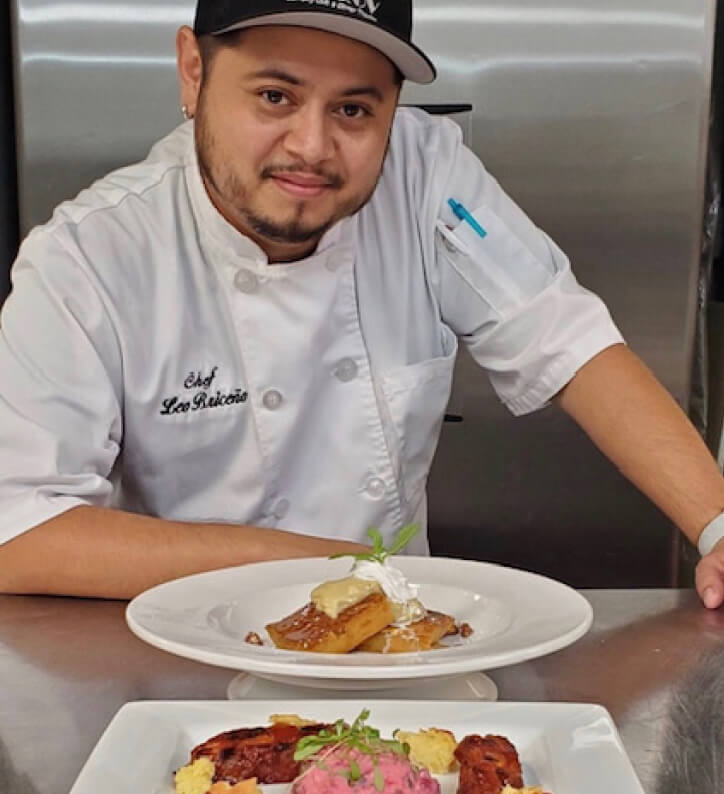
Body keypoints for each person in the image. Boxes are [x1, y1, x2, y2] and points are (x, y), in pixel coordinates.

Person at [1, 0, 724, 605]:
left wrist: (718, 530)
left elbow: (566, 340)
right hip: (178, 668)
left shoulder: (424, 174)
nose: (312, 146)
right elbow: (20, 532)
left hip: (394, 648)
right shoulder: (90, 256)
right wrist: (329, 566)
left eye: (353, 109)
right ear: (193, 71)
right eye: (274, 96)